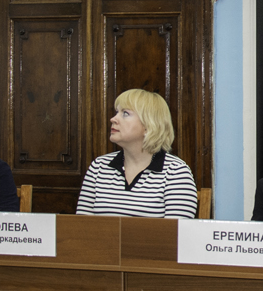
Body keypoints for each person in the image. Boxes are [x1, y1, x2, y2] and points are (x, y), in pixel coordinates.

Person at [76, 88, 198, 218]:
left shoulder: (176, 171)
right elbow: (82, 225)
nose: (113, 119)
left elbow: (177, 230)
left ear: (149, 125)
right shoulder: (99, 166)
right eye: (117, 112)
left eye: (125, 113)